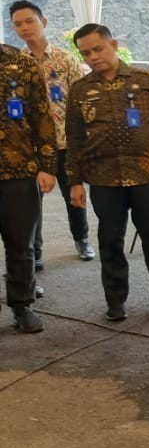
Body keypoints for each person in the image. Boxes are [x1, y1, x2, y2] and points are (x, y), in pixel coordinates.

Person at [66, 25, 149, 321]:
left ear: (113, 45)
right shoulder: (80, 90)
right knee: (110, 241)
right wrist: (74, 181)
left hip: (146, 174)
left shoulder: (145, 81)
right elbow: (75, 138)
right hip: (103, 178)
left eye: (98, 49)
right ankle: (116, 301)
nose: (93, 57)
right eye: (86, 53)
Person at [11, 0, 95, 270]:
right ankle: (34, 251)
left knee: (74, 193)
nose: (24, 28)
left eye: (29, 21)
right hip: (33, 147)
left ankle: (81, 239)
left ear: (43, 22)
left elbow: (78, 99)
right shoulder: (15, 64)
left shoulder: (64, 58)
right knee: (30, 203)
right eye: (18, 24)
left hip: (65, 141)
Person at [0, 42, 56, 333]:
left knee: (21, 244)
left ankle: (22, 305)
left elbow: (41, 116)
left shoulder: (21, 65)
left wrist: (47, 165)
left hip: (19, 171)